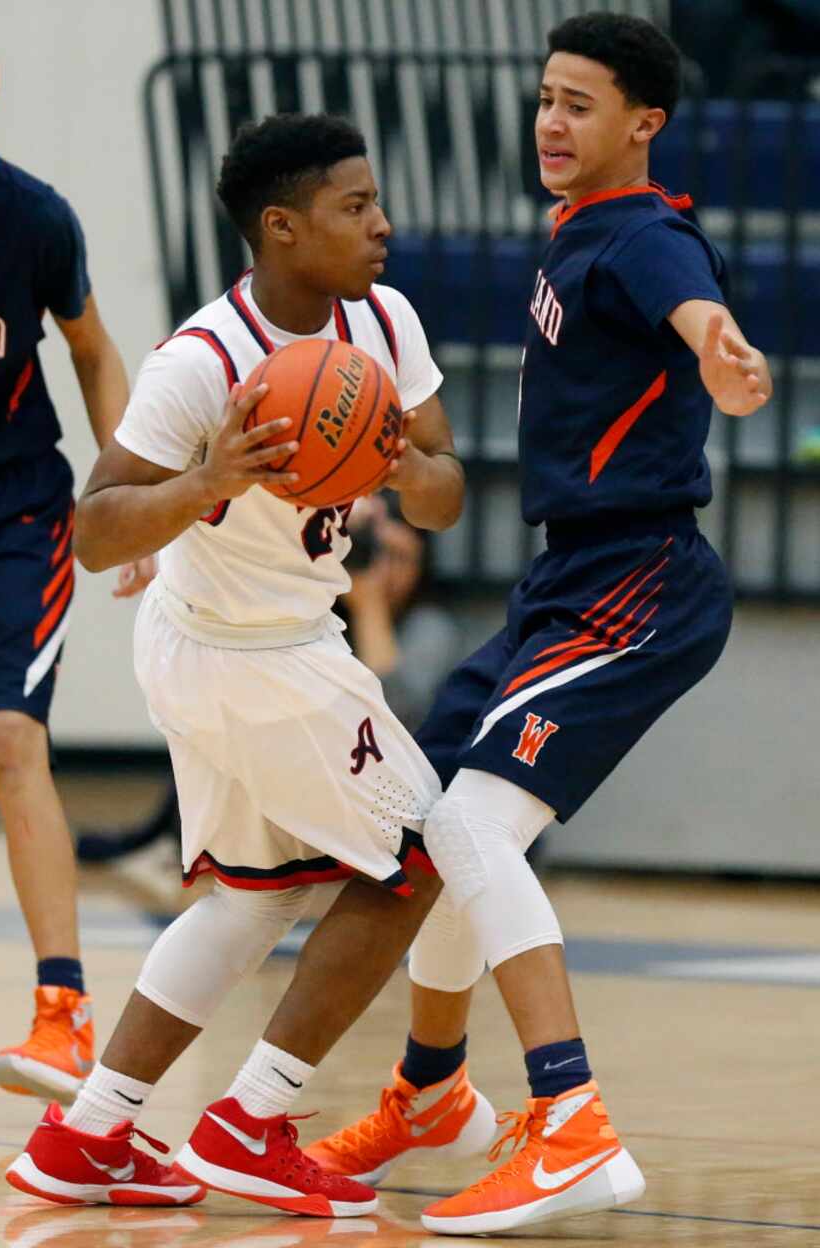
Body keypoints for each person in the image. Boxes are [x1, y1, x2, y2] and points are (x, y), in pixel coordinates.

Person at [305, 14, 772, 1235]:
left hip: (639, 578)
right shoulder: (572, 235)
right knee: (439, 829)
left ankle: (569, 1122)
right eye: (545, 99)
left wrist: (715, 349)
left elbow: (687, 301)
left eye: (580, 104)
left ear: (643, 125)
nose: (552, 124)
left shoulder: (641, 236)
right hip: (559, 582)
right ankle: (424, 1090)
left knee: (468, 827)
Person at [5, 112, 496, 1215]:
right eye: (355, 206)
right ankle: (251, 1120)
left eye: (375, 202)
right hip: (242, 652)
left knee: (246, 902)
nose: (383, 225)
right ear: (281, 227)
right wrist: (206, 482)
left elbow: (448, 484)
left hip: (272, 644)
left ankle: (87, 1136)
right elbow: (91, 531)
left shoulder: (386, 318)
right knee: (421, 860)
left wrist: (403, 472)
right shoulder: (202, 360)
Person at [0, 26, 150, 1104]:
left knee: (9, 734)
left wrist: (125, 493)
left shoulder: (34, 216)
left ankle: (63, 1012)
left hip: (19, 512)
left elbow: (93, 352)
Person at [340, 497, 461, 732]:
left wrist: (369, 608)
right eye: (372, 551)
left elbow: (397, 722)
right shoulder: (313, 616)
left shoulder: (431, 628)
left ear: (421, 566)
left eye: (397, 557)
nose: (381, 569)